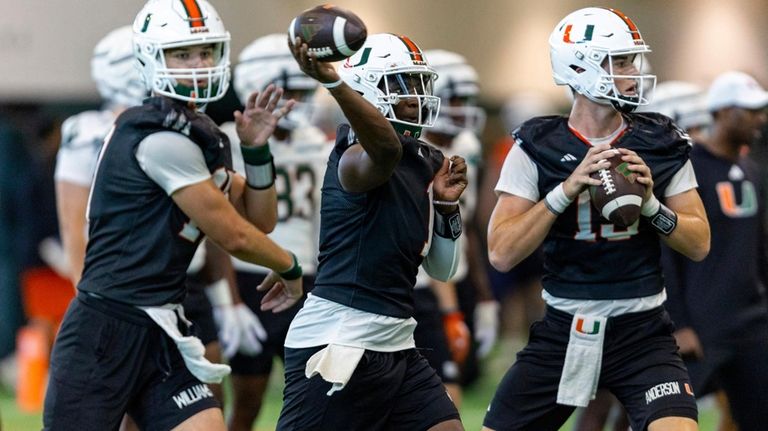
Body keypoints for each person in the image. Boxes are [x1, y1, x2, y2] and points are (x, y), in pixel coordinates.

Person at [42, 0, 303, 429]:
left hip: (165, 324)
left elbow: (260, 219)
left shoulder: (199, 132)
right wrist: (288, 265)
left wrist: (256, 151)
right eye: (181, 54)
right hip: (107, 328)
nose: (197, 64)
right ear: (150, 59)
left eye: (204, 52)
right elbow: (233, 234)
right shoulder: (156, 136)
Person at [484, 7, 710, 431]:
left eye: (631, 59)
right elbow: (501, 252)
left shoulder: (660, 141)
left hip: (643, 332)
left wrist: (651, 207)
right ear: (579, 67)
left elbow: (699, 243)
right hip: (564, 328)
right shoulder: (536, 146)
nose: (633, 70)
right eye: (620, 60)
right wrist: (563, 192)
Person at [277, 33, 468, 431]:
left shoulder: (425, 157)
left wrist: (447, 206)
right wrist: (333, 83)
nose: (416, 96)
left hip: (397, 338)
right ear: (366, 91)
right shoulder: (354, 155)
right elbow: (384, 150)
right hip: (339, 338)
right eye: (402, 85)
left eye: (418, 84)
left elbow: (442, 269)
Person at [220, 33, 331, 431]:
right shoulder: (229, 140)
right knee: (247, 396)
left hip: (305, 275)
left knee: (316, 393)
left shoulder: (317, 142)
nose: (300, 101)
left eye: (304, 89)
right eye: (292, 89)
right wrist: (229, 297)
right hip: (248, 273)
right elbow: (222, 225)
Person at [661, 71, 768, 431]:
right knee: (665, 418)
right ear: (720, 112)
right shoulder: (688, 169)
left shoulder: (751, 170)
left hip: (751, 322)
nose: (760, 118)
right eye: (750, 110)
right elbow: (667, 252)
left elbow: (758, 248)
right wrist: (679, 323)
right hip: (701, 324)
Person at [411, 48, 498, 407]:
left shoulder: (466, 146)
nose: (463, 108)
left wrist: (484, 297)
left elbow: (467, 225)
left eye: (466, 98)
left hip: (452, 280)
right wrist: (450, 312)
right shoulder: (414, 149)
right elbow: (426, 236)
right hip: (418, 285)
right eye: (455, 98)